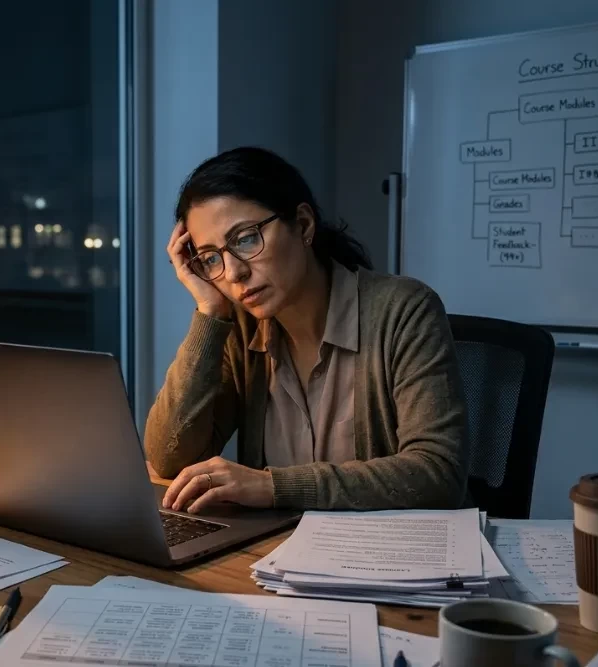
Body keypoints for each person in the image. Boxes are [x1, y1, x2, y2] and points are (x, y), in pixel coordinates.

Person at [146, 146, 468, 515]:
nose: (233, 274)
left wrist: (272, 486)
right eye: (211, 258)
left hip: (385, 559)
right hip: (278, 554)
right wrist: (209, 313)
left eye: (246, 239)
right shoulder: (238, 325)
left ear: (303, 225)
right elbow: (167, 458)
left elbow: (439, 475)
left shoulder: (404, 310)